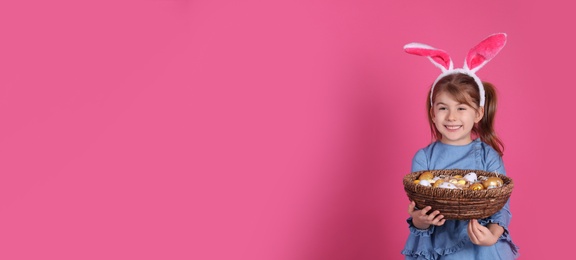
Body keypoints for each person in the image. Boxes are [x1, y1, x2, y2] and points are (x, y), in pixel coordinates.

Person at [400, 33, 519, 259]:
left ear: (478, 113)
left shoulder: (488, 157)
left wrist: (492, 235)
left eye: (461, 108)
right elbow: (418, 211)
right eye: (443, 108)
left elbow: (502, 206)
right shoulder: (423, 158)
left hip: (479, 247)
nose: (452, 117)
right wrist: (420, 220)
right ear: (433, 114)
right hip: (437, 246)